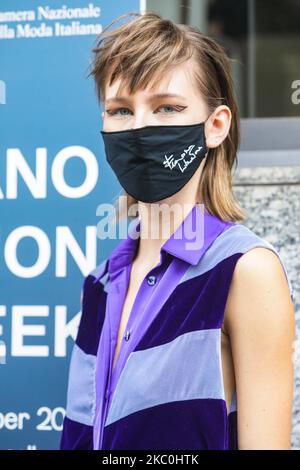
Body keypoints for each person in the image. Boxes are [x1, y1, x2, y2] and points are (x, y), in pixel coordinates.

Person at [60, 12, 295, 450]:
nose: (140, 127)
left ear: (215, 125)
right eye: (120, 110)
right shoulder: (98, 283)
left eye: (167, 107)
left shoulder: (245, 272)